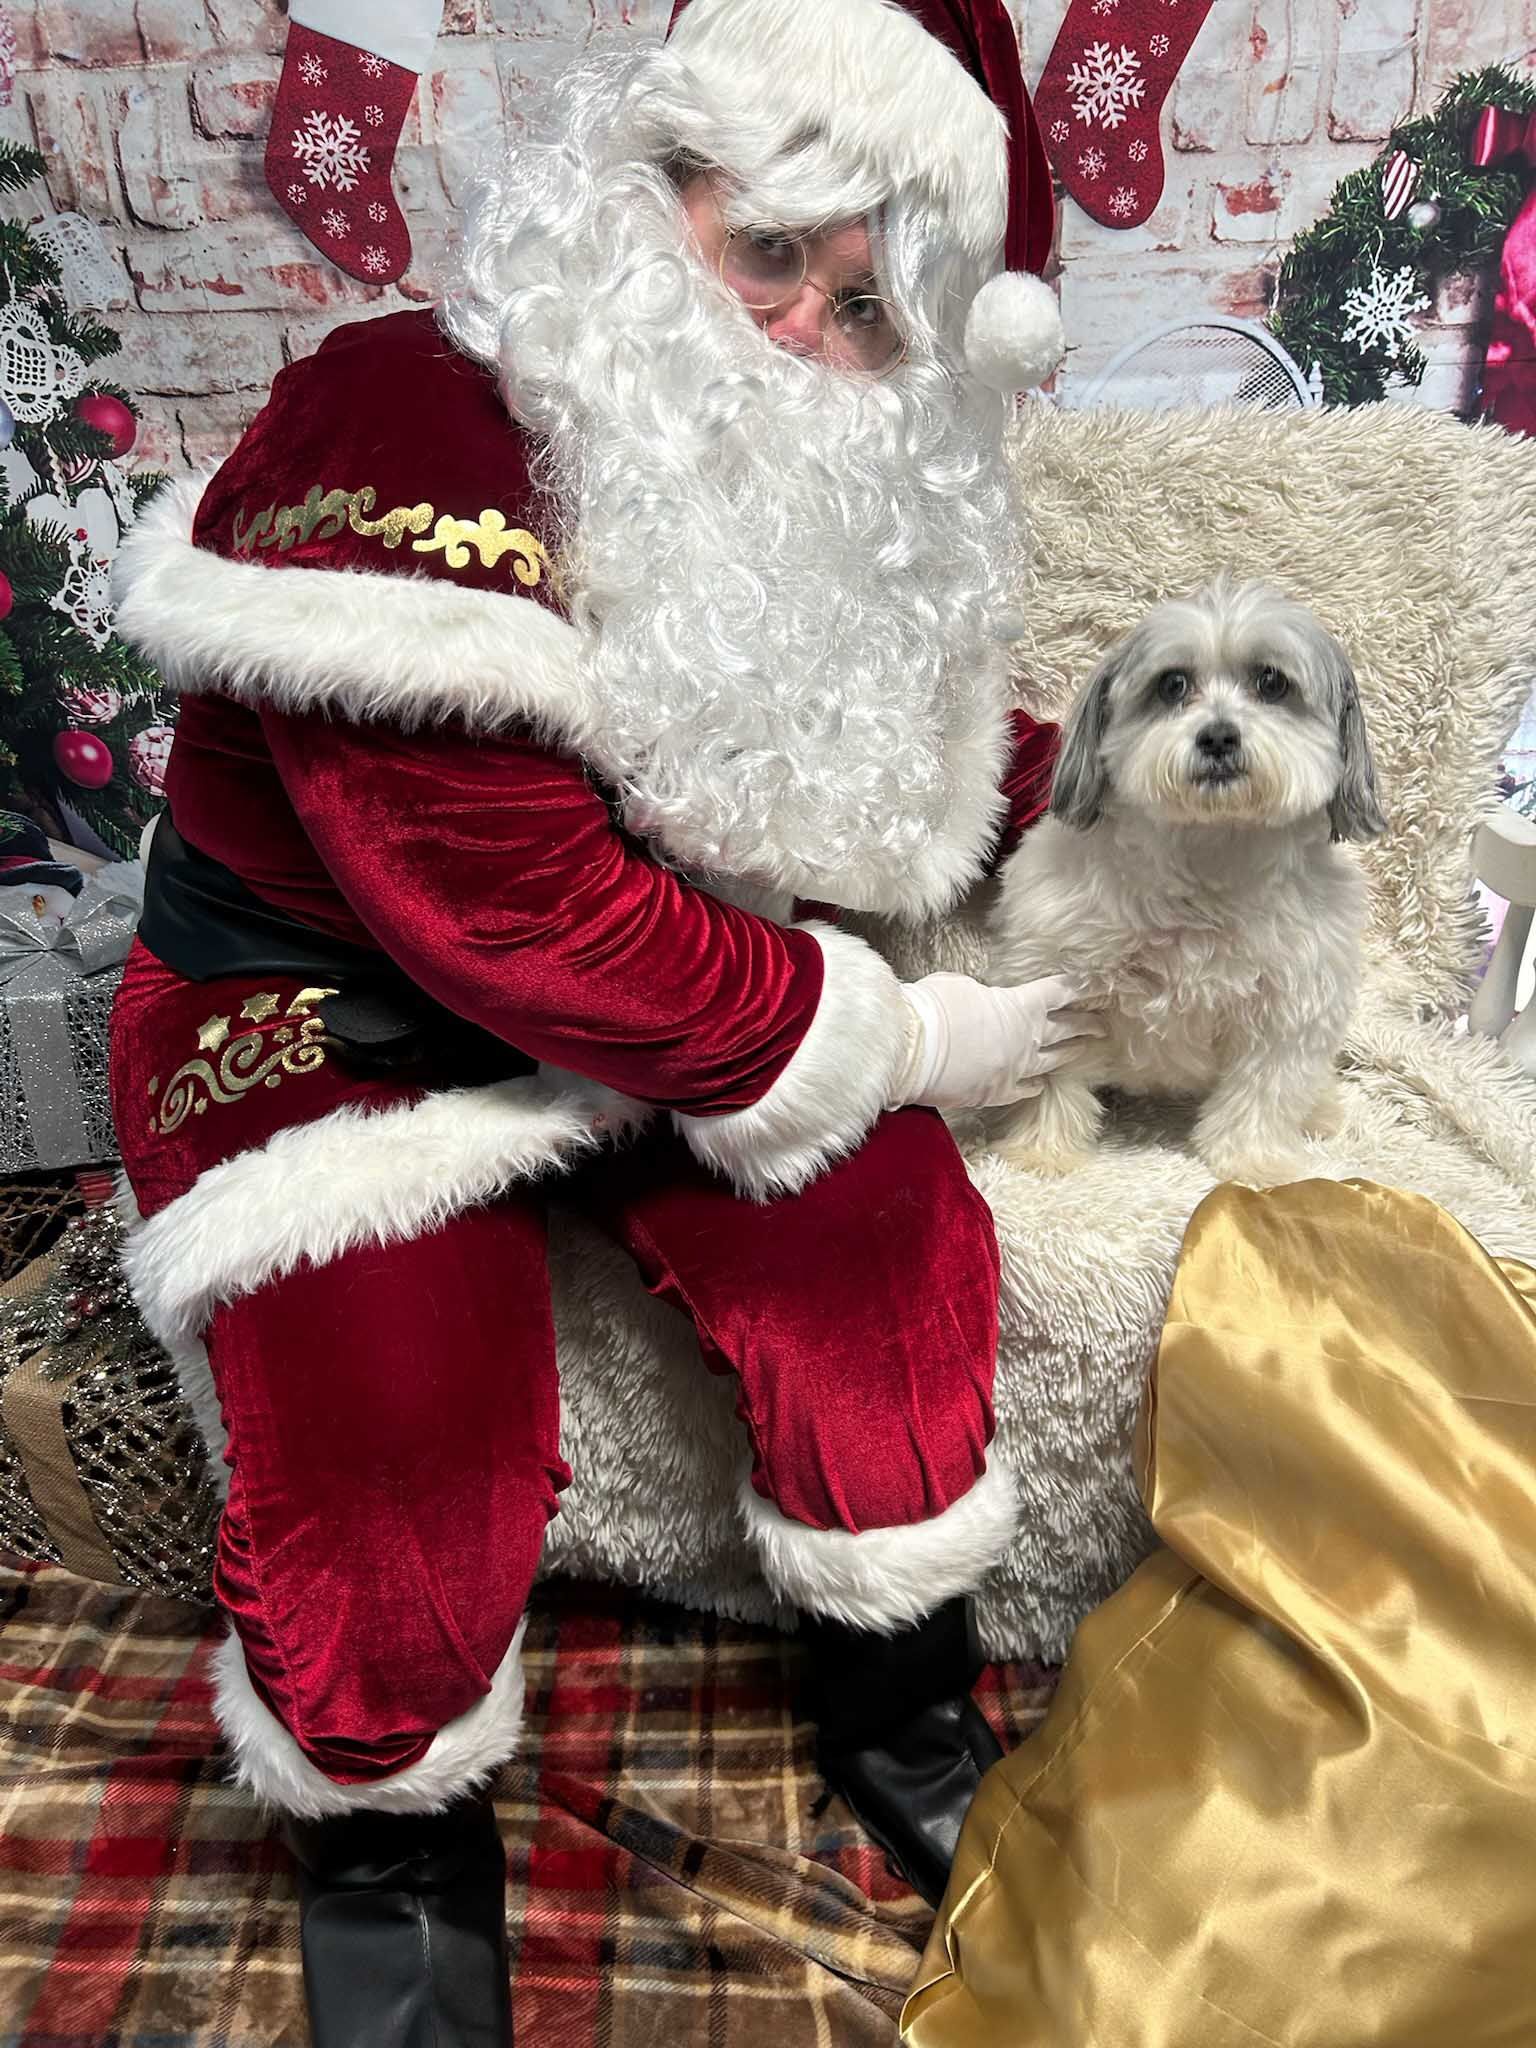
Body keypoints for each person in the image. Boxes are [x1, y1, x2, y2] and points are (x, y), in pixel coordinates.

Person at [108, 3, 1095, 2042]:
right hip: (336, 1015)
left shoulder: (825, 477)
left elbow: (895, 739)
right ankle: (386, 1835)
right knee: (397, 1446)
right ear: (651, 194)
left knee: (894, 1254)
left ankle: (900, 1694)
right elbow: (511, 911)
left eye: (864, 309)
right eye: (766, 259)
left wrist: (1125, 788)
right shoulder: (397, 414)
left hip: (687, 993)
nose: (802, 339)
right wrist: (906, 1034)